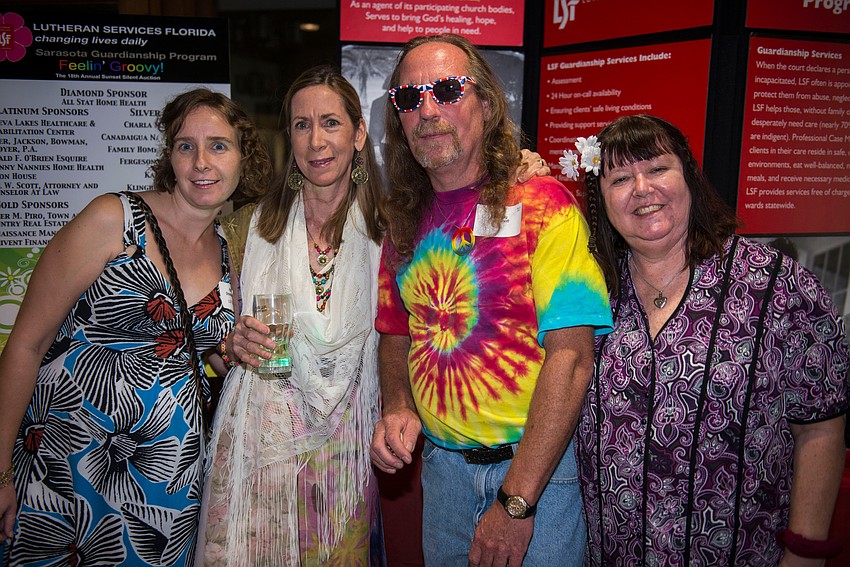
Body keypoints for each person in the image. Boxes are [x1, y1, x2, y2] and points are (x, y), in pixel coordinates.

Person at [198, 64, 551, 567]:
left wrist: (514, 172)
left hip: (345, 455)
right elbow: (207, 348)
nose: (316, 139)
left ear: (359, 134)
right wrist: (227, 349)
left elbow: (420, 317)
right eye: (301, 125)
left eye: (331, 123)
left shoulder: (398, 228)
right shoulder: (244, 230)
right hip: (258, 456)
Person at [369, 34, 613, 567]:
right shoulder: (404, 222)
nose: (428, 110)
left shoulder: (544, 204)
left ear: (485, 102)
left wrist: (516, 504)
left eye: (448, 90)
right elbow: (395, 331)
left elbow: (571, 358)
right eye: (409, 98)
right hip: (443, 476)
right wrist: (397, 404)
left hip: (536, 475)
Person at [0, 88, 272, 565]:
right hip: (65, 465)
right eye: (186, 146)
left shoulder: (234, 252)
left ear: (242, 158)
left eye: (219, 146)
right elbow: (26, 344)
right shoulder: (114, 219)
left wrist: (235, 349)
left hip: (165, 486)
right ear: (170, 157)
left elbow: (202, 353)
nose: (201, 162)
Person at [571, 114, 850, 566]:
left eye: (658, 168)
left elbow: (820, 426)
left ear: (689, 176)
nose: (642, 189)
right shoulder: (589, 297)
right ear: (600, 200)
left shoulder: (774, 285)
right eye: (620, 178)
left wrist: (806, 553)